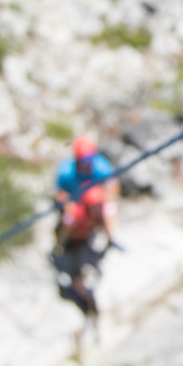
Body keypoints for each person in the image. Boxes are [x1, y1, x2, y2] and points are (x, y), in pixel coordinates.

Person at [51, 135, 119, 342]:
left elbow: (112, 186)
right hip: (76, 209)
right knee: (71, 218)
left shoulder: (100, 165)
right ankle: (65, 240)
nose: (87, 165)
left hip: (92, 207)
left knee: (103, 204)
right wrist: (67, 206)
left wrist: (104, 200)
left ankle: (110, 237)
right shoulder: (66, 170)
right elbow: (60, 194)